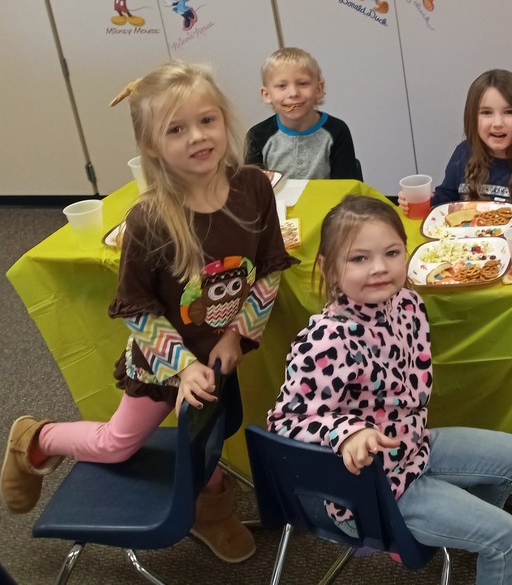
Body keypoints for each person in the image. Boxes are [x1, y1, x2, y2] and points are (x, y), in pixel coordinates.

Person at [1, 61, 298, 564]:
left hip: (220, 356)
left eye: (207, 120)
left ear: (225, 120)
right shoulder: (151, 218)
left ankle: (210, 508)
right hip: (163, 364)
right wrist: (182, 367)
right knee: (118, 444)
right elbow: (136, 308)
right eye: (176, 129)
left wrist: (238, 338)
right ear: (152, 146)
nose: (198, 137)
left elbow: (269, 268)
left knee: (213, 432)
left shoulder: (253, 187)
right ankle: (37, 436)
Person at [268, 195, 512, 585]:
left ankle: (468, 540)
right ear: (328, 268)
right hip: (371, 489)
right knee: (508, 537)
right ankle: (484, 542)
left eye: (391, 253)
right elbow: (285, 423)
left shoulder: (406, 303)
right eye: (359, 259)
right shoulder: (327, 341)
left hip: (412, 447)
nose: (379, 269)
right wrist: (346, 433)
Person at [398, 69, 512, 213]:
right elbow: (445, 199)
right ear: (472, 117)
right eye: (486, 112)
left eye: (509, 112)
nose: (497, 123)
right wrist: (418, 201)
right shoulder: (463, 153)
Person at [245, 47, 362, 181]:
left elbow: (346, 188)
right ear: (267, 95)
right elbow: (252, 189)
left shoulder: (337, 131)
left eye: (302, 84)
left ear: (318, 89)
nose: (293, 93)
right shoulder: (256, 136)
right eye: (282, 86)